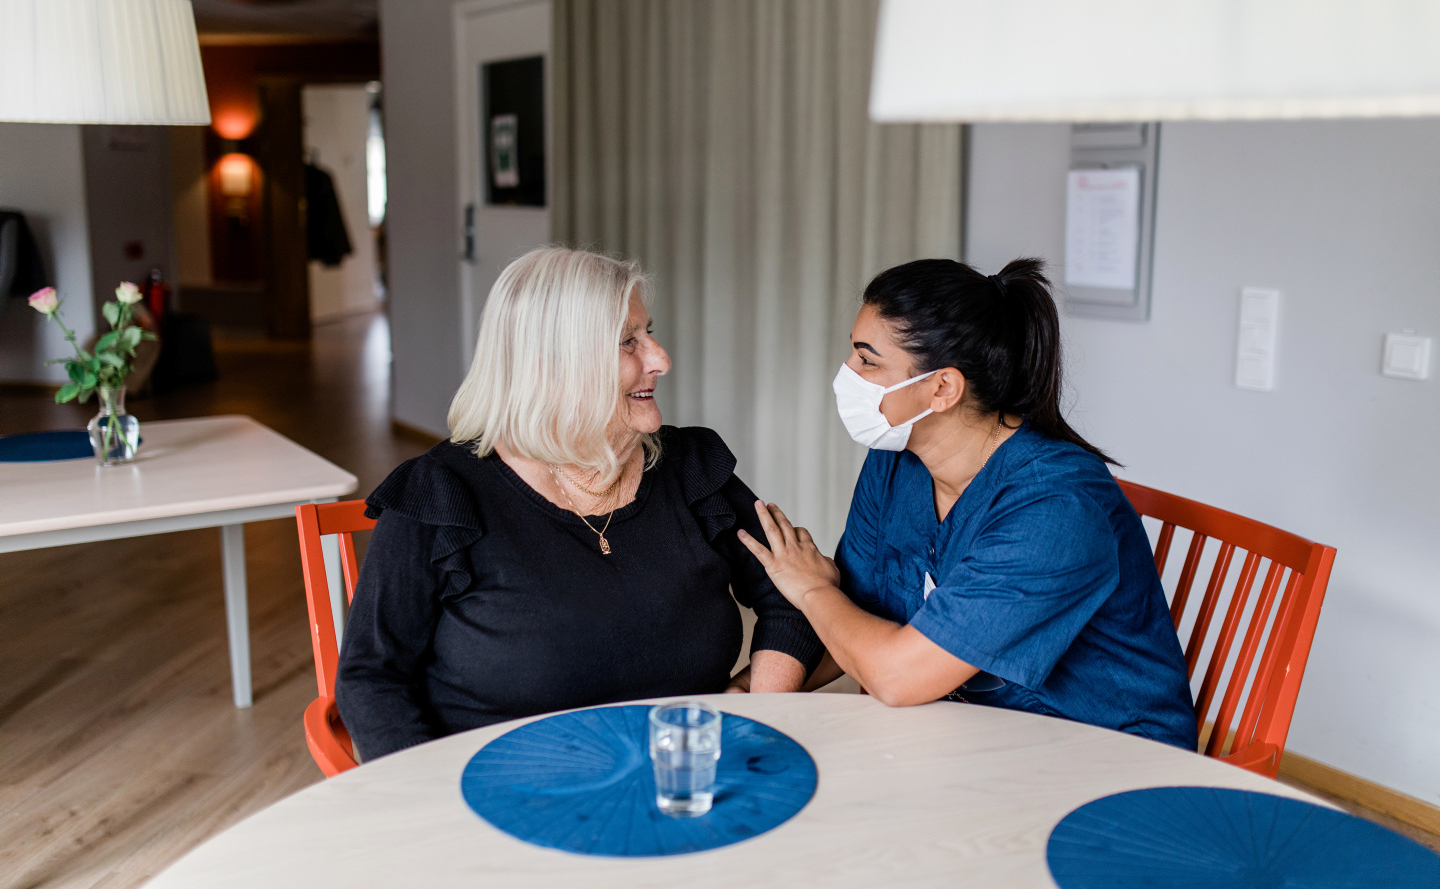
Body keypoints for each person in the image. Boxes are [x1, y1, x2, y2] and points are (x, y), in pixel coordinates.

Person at [335, 247, 823, 760]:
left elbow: (798, 594)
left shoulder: (691, 470)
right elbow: (372, 679)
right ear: (552, 365)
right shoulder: (439, 496)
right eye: (628, 341)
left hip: (684, 778)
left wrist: (753, 711)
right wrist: (438, 798)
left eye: (649, 333)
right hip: (510, 790)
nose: (660, 359)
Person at [739, 258, 1197, 749]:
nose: (847, 374)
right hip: (973, 734)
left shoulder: (1057, 508)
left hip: (1109, 755)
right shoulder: (895, 461)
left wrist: (811, 589)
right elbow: (855, 619)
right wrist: (748, 698)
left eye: (868, 361)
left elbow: (894, 676)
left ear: (943, 388)